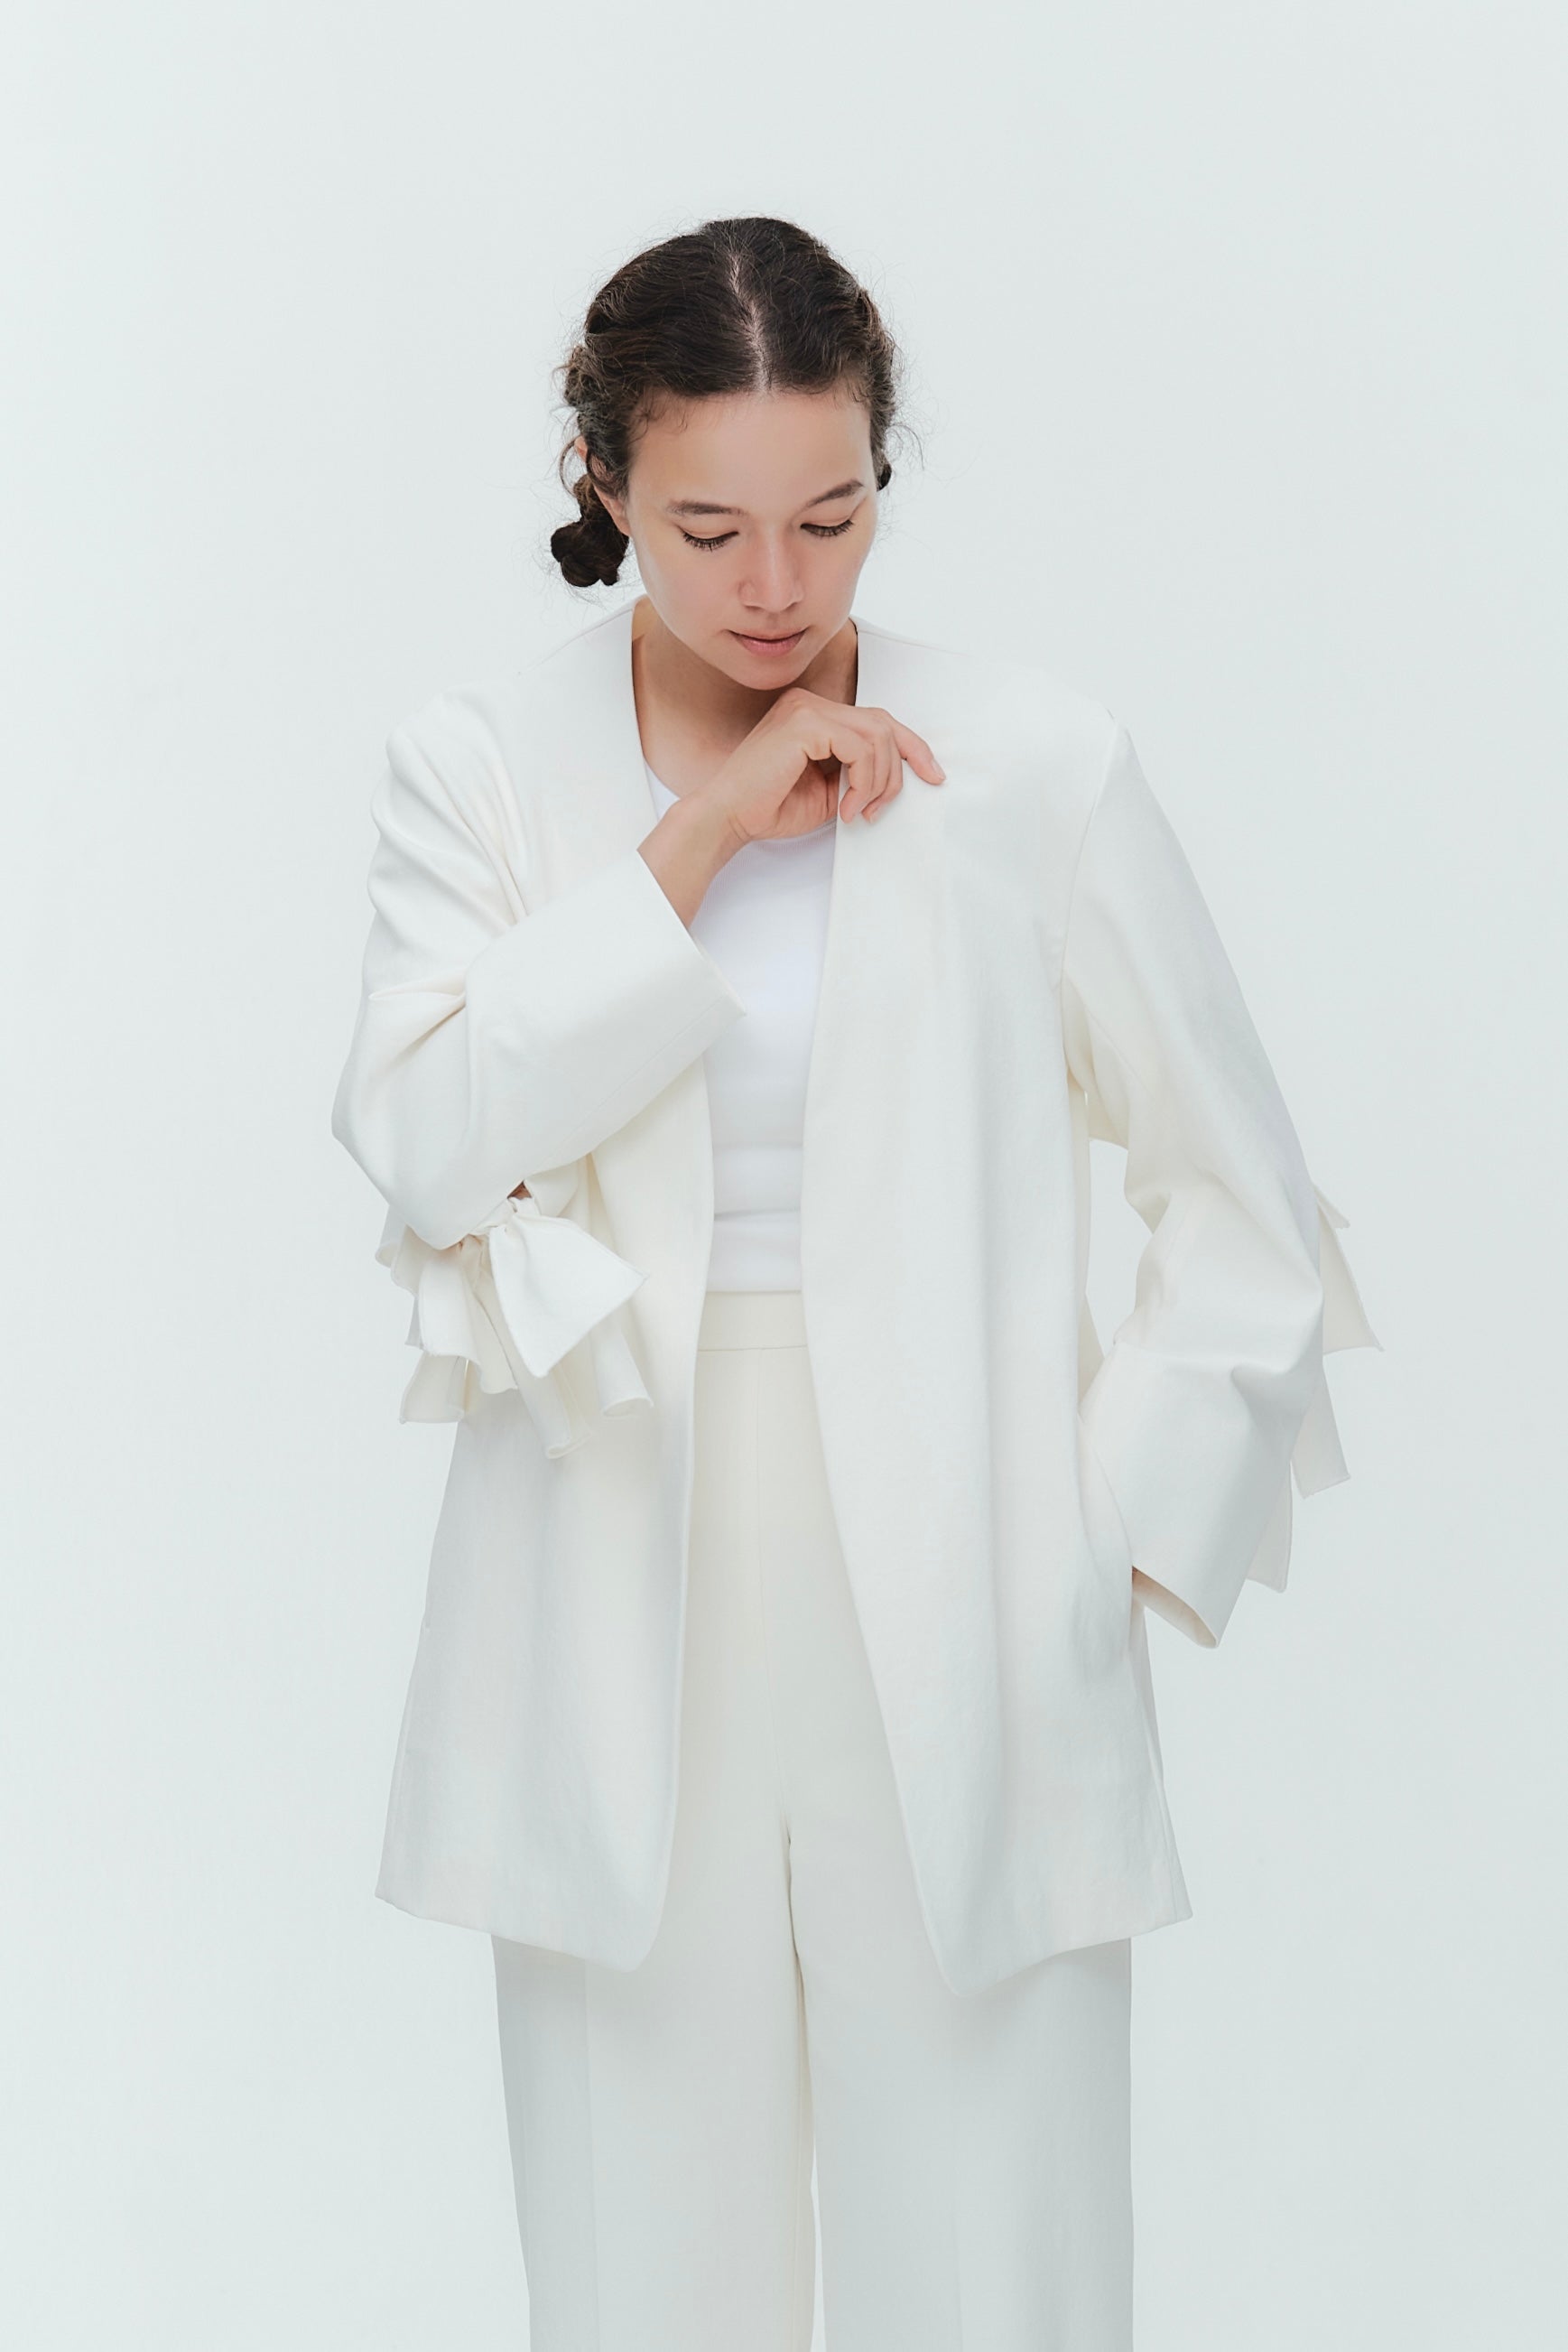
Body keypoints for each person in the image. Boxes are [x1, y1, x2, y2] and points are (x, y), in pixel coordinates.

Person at [330, 215, 1378, 2352]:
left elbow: (1242, 1200)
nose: (775, 587)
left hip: (969, 1579)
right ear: (604, 482)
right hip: (615, 1572)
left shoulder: (1030, 763)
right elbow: (427, 1137)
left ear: (879, 466)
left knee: (995, 2272)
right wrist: (701, 836)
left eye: (829, 515)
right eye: (707, 528)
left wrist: (1102, 1550)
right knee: (642, 2283)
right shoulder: (484, 765)